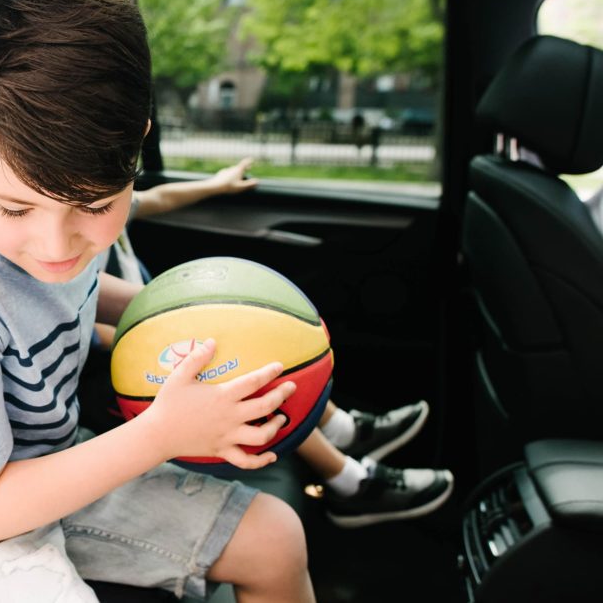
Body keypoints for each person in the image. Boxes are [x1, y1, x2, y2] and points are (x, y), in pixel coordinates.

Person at [0, 0, 312, 601]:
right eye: (15, 210)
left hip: (46, 471)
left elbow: (86, 289)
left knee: (275, 538)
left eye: (94, 205)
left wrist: (185, 317)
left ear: (137, 143)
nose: (57, 247)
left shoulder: (50, 241)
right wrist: (163, 434)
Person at [92, 160, 454, 529]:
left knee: (259, 339)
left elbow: (157, 197)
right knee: (252, 374)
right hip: (129, 374)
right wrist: (178, 329)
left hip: (154, 335)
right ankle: (349, 483)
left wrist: (215, 185)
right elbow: (103, 337)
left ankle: (343, 429)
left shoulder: (107, 205)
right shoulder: (66, 247)